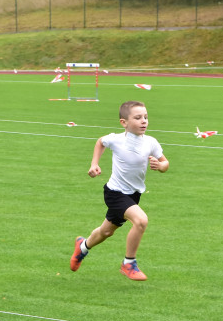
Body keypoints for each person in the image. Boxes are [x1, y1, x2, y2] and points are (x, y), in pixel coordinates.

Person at [70, 101, 169, 281]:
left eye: (145, 117)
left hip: (133, 195)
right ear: (124, 122)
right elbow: (101, 142)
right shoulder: (116, 140)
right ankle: (128, 263)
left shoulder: (151, 142)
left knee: (106, 232)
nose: (143, 121)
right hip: (115, 193)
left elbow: (165, 163)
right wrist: (94, 164)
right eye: (137, 118)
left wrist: (160, 166)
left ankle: (82, 247)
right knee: (141, 221)